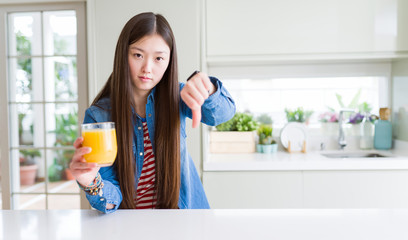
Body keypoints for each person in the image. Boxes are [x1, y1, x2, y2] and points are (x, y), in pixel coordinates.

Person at [70, 12, 235, 213]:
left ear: (169, 61)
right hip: (131, 227)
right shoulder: (99, 115)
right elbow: (111, 202)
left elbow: (222, 114)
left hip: (183, 221)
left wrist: (208, 88)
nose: (147, 68)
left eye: (158, 58)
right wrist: (90, 181)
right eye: (138, 55)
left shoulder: (179, 96)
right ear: (123, 55)